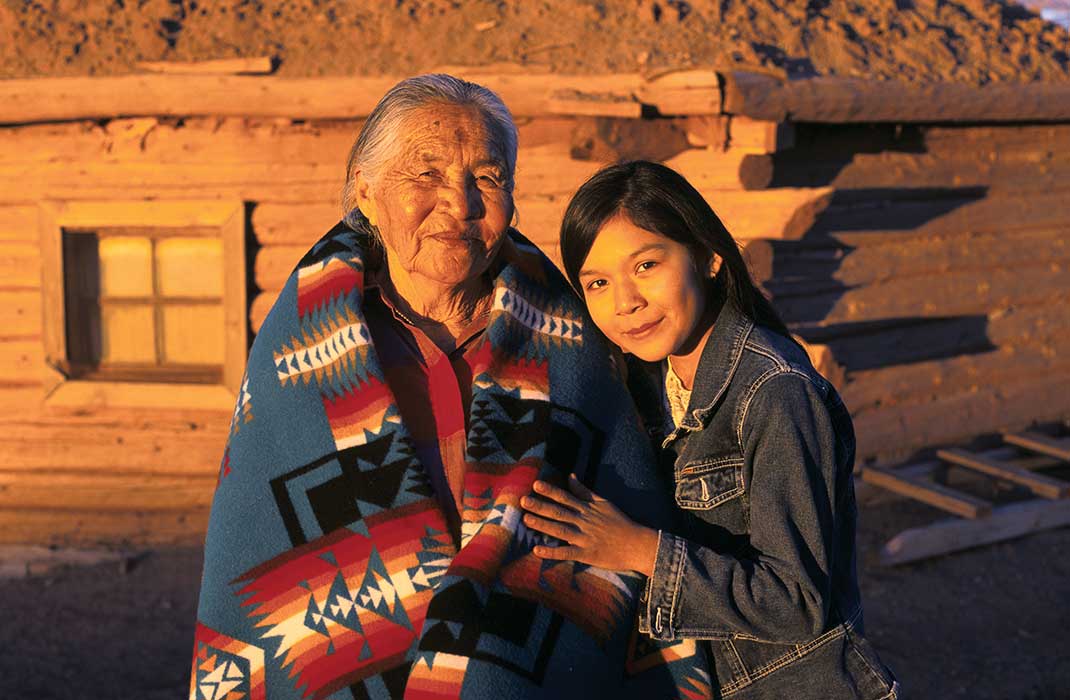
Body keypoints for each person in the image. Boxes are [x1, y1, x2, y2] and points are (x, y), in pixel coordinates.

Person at [191, 78, 710, 699]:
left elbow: (627, 520)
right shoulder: (301, 359)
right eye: (427, 174)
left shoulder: (575, 346)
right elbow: (255, 550)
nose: (459, 203)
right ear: (365, 190)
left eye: (487, 178)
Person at [521, 161, 899, 699]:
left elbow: (796, 603)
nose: (625, 302)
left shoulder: (774, 393)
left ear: (708, 256)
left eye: (646, 265)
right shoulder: (648, 385)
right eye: (598, 283)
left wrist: (640, 550)